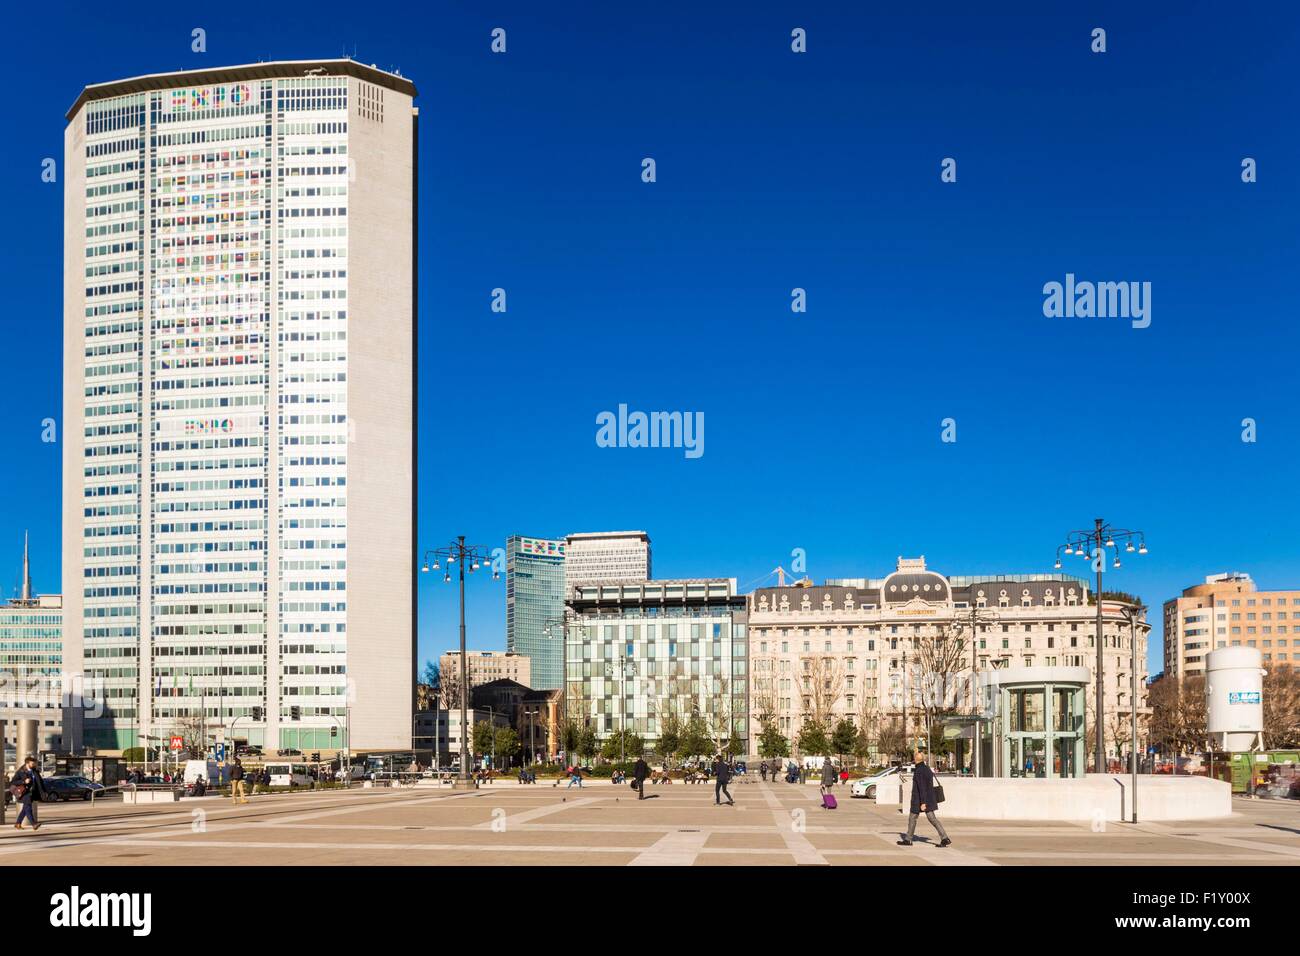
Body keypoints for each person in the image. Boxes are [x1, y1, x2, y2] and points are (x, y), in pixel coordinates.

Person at [898, 750, 951, 847]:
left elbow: (922, 787)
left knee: (912, 818)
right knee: (932, 819)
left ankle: (908, 840)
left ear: (915, 759)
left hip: (919, 799)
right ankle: (944, 838)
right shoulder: (927, 768)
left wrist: (923, 803)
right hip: (929, 798)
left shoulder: (919, 771)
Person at [11, 756, 44, 831]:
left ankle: (18, 823)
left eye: (34, 763)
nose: (34, 764)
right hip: (24, 792)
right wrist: (23, 781)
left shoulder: (34, 770)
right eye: (33, 763)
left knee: (25, 809)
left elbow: (39, 781)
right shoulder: (21, 771)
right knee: (28, 808)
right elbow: (13, 782)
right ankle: (34, 824)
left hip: (32, 792)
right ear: (27, 763)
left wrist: (43, 790)